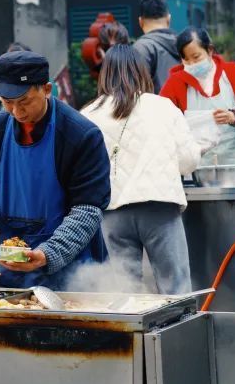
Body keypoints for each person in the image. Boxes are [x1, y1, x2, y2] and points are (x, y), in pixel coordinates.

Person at [0, 51, 110, 289]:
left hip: (70, 270)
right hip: (7, 268)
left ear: (46, 89)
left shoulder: (81, 135)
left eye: (24, 102)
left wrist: (48, 254)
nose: (16, 112)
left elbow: (87, 210)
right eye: (7, 102)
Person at [81, 45, 200, 295]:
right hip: (160, 208)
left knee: (125, 293)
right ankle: (176, 335)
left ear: (104, 74)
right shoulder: (162, 106)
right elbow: (188, 161)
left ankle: (134, 335)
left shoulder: (88, 115)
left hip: (112, 213)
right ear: (141, 72)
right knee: (175, 289)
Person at [159, 27, 235, 166]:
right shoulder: (176, 82)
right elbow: (162, 118)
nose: (191, 64)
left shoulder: (231, 71)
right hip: (199, 166)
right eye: (186, 60)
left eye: (196, 57)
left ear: (210, 50)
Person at [133, 0, 182, 94]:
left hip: (156, 109)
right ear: (169, 19)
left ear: (140, 22)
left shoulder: (141, 48)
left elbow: (136, 91)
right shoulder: (186, 44)